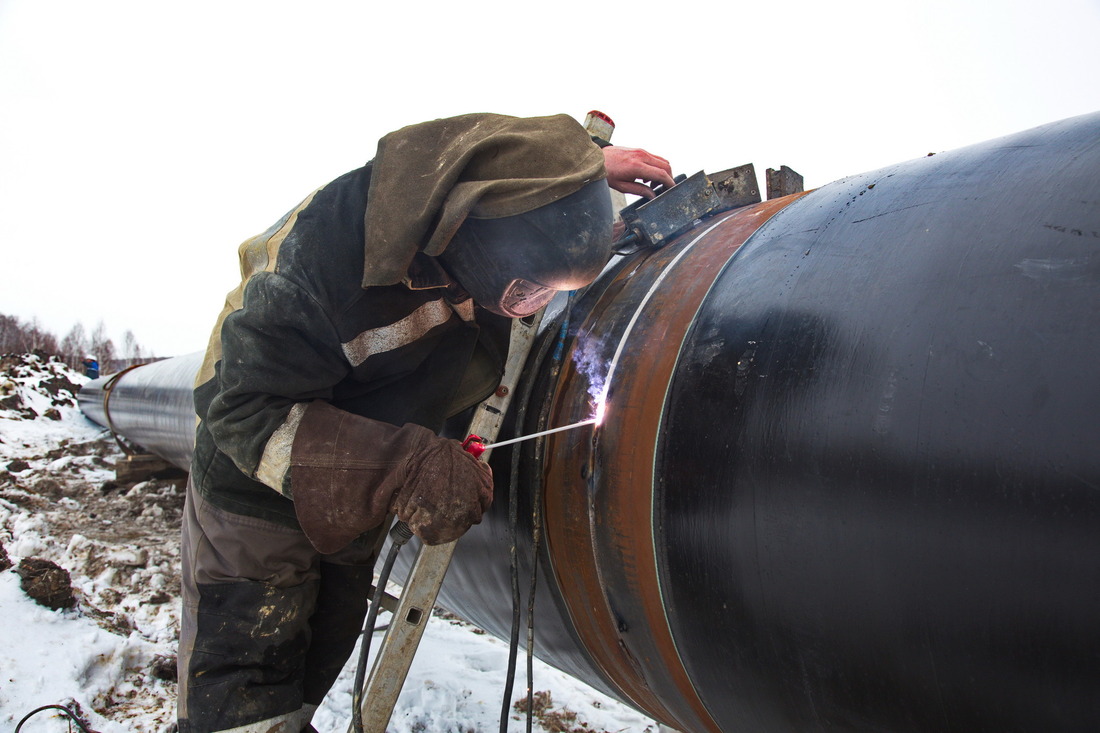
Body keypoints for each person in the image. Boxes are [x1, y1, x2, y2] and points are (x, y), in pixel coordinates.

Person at [177, 113, 674, 733]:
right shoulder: (314, 270)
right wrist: (404, 468)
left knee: (315, 667)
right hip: (258, 482)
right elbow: (243, 411)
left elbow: (495, 155)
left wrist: (579, 172)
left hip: (359, 475)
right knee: (246, 699)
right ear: (469, 236)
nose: (532, 306)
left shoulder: (482, 211)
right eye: (526, 290)